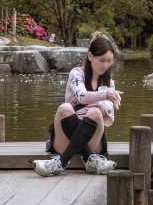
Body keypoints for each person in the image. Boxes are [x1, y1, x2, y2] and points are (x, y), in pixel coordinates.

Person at [34, 35, 123, 176]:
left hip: (93, 139)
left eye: (109, 61)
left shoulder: (109, 84)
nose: (105, 65)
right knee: (65, 108)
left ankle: (60, 163)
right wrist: (105, 95)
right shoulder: (76, 74)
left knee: (94, 113)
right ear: (90, 56)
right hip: (65, 139)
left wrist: (107, 110)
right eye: (102, 60)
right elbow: (82, 96)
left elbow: (108, 120)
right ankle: (90, 159)